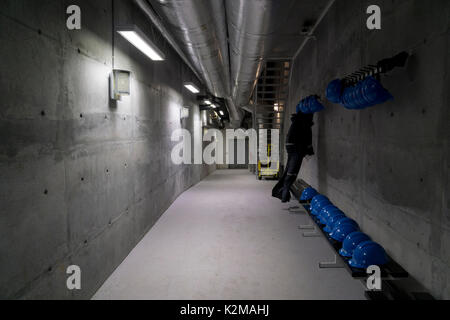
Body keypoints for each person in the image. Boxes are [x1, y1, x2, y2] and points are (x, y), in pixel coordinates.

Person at [272, 112, 314, 203]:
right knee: (291, 172)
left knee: (290, 171)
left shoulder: (296, 123)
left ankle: (283, 193)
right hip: (296, 148)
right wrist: (309, 150)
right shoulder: (304, 124)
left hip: (291, 147)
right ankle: (283, 192)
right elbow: (307, 137)